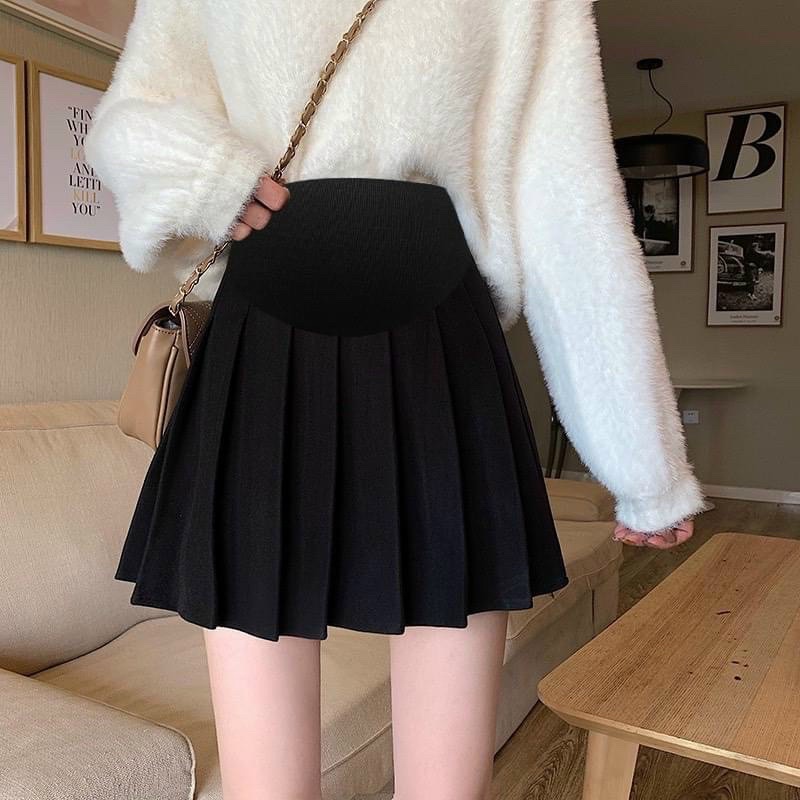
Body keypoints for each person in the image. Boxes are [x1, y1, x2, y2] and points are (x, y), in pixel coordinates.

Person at [84, 2, 711, 798]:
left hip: (439, 338)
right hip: (266, 333)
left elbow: (568, 200)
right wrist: (198, 172)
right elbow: (133, 114)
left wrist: (644, 465)